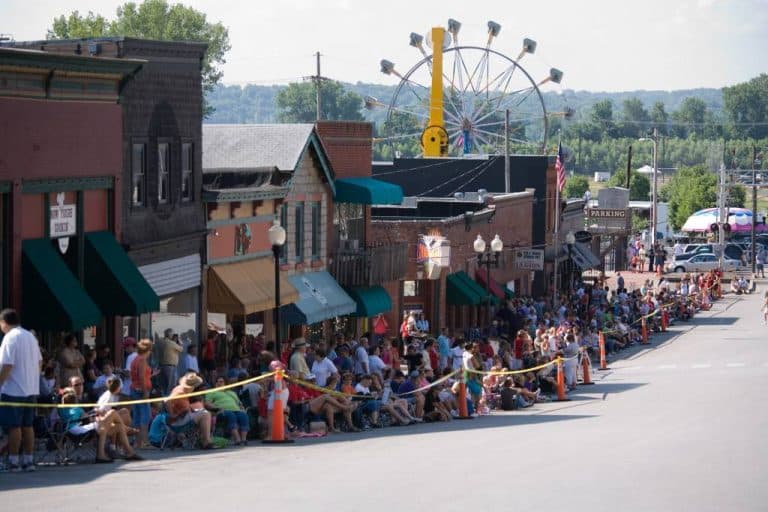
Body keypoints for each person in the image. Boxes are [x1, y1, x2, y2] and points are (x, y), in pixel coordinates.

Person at [0, 309, 42, 472]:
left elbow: (7, 365)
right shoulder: (30, 336)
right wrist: (32, 379)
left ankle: (13, 461)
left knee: (14, 426)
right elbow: (40, 361)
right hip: (31, 389)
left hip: (13, 389)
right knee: (27, 425)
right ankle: (29, 460)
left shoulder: (10, 338)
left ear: (4, 322)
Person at [60, 387, 143, 463]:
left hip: (74, 429)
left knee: (118, 426)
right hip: (78, 429)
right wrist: (95, 414)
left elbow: (82, 418)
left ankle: (129, 452)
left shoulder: (61, 408)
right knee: (112, 413)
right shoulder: (77, 408)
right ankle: (127, 430)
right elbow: (87, 419)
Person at [167, 372, 213, 449]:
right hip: (178, 421)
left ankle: (203, 440)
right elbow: (167, 401)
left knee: (202, 411)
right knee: (205, 414)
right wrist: (171, 414)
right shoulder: (180, 392)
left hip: (181, 417)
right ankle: (206, 442)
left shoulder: (180, 389)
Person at [207, 376, 250, 445]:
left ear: (225, 383)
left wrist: (243, 409)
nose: (219, 383)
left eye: (221, 381)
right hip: (222, 411)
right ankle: (237, 439)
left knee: (243, 415)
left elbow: (239, 403)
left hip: (237, 410)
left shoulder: (232, 393)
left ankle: (243, 439)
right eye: (217, 381)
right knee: (231, 415)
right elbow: (207, 403)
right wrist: (217, 408)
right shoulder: (212, 392)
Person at [130, 339, 153, 449]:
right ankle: (145, 442)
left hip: (134, 388)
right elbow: (142, 377)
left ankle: (137, 442)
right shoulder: (142, 360)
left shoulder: (135, 359)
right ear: (147, 350)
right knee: (146, 415)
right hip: (141, 390)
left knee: (137, 416)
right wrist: (145, 392)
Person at [157, 328, 182, 397]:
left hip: (161, 365)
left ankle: (163, 399)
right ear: (170, 334)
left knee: (163, 385)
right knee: (171, 386)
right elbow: (181, 349)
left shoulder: (160, 342)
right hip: (170, 367)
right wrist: (179, 341)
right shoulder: (171, 343)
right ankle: (168, 401)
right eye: (172, 334)